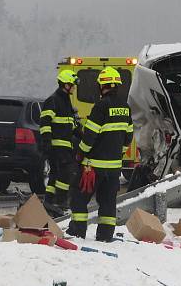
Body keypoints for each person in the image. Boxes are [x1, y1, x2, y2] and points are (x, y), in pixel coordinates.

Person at [67, 67, 133, 242]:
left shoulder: (101, 106)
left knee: (79, 200)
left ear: (102, 86)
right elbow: (128, 138)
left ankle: (77, 233)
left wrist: (80, 154)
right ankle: (105, 236)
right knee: (108, 203)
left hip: (93, 167)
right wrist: (115, 155)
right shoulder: (125, 108)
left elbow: (89, 136)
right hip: (113, 170)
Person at [39, 69, 80, 212]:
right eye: (72, 85)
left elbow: (71, 124)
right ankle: (61, 202)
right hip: (57, 146)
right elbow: (45, 122)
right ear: (65, 84)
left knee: (55, 174)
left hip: (65, 145)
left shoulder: (66, 101)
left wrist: (81, 134)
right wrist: (47, 142)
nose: (74, 88)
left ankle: (49, 200)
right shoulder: (53, 100)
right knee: (65, 173)